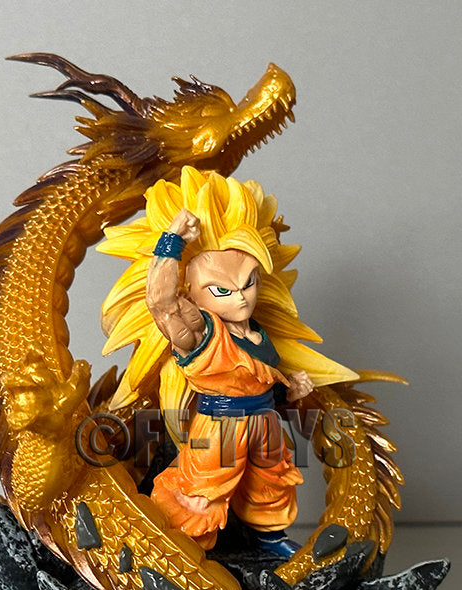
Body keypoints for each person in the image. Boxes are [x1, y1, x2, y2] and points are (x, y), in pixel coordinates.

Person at [96, 168, 358, 554]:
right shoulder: (201, 333)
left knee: (271, 483)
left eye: (248, 283)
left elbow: (259, 379)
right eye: (222, 290)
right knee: (201, 495)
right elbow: (161, 303)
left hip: (264, 421)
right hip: (220, 425)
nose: (241, 297)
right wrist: (171, 242)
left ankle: (270, 540)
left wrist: (289, 392)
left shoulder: (259, 332)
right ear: (194, 293)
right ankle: (179, 555)